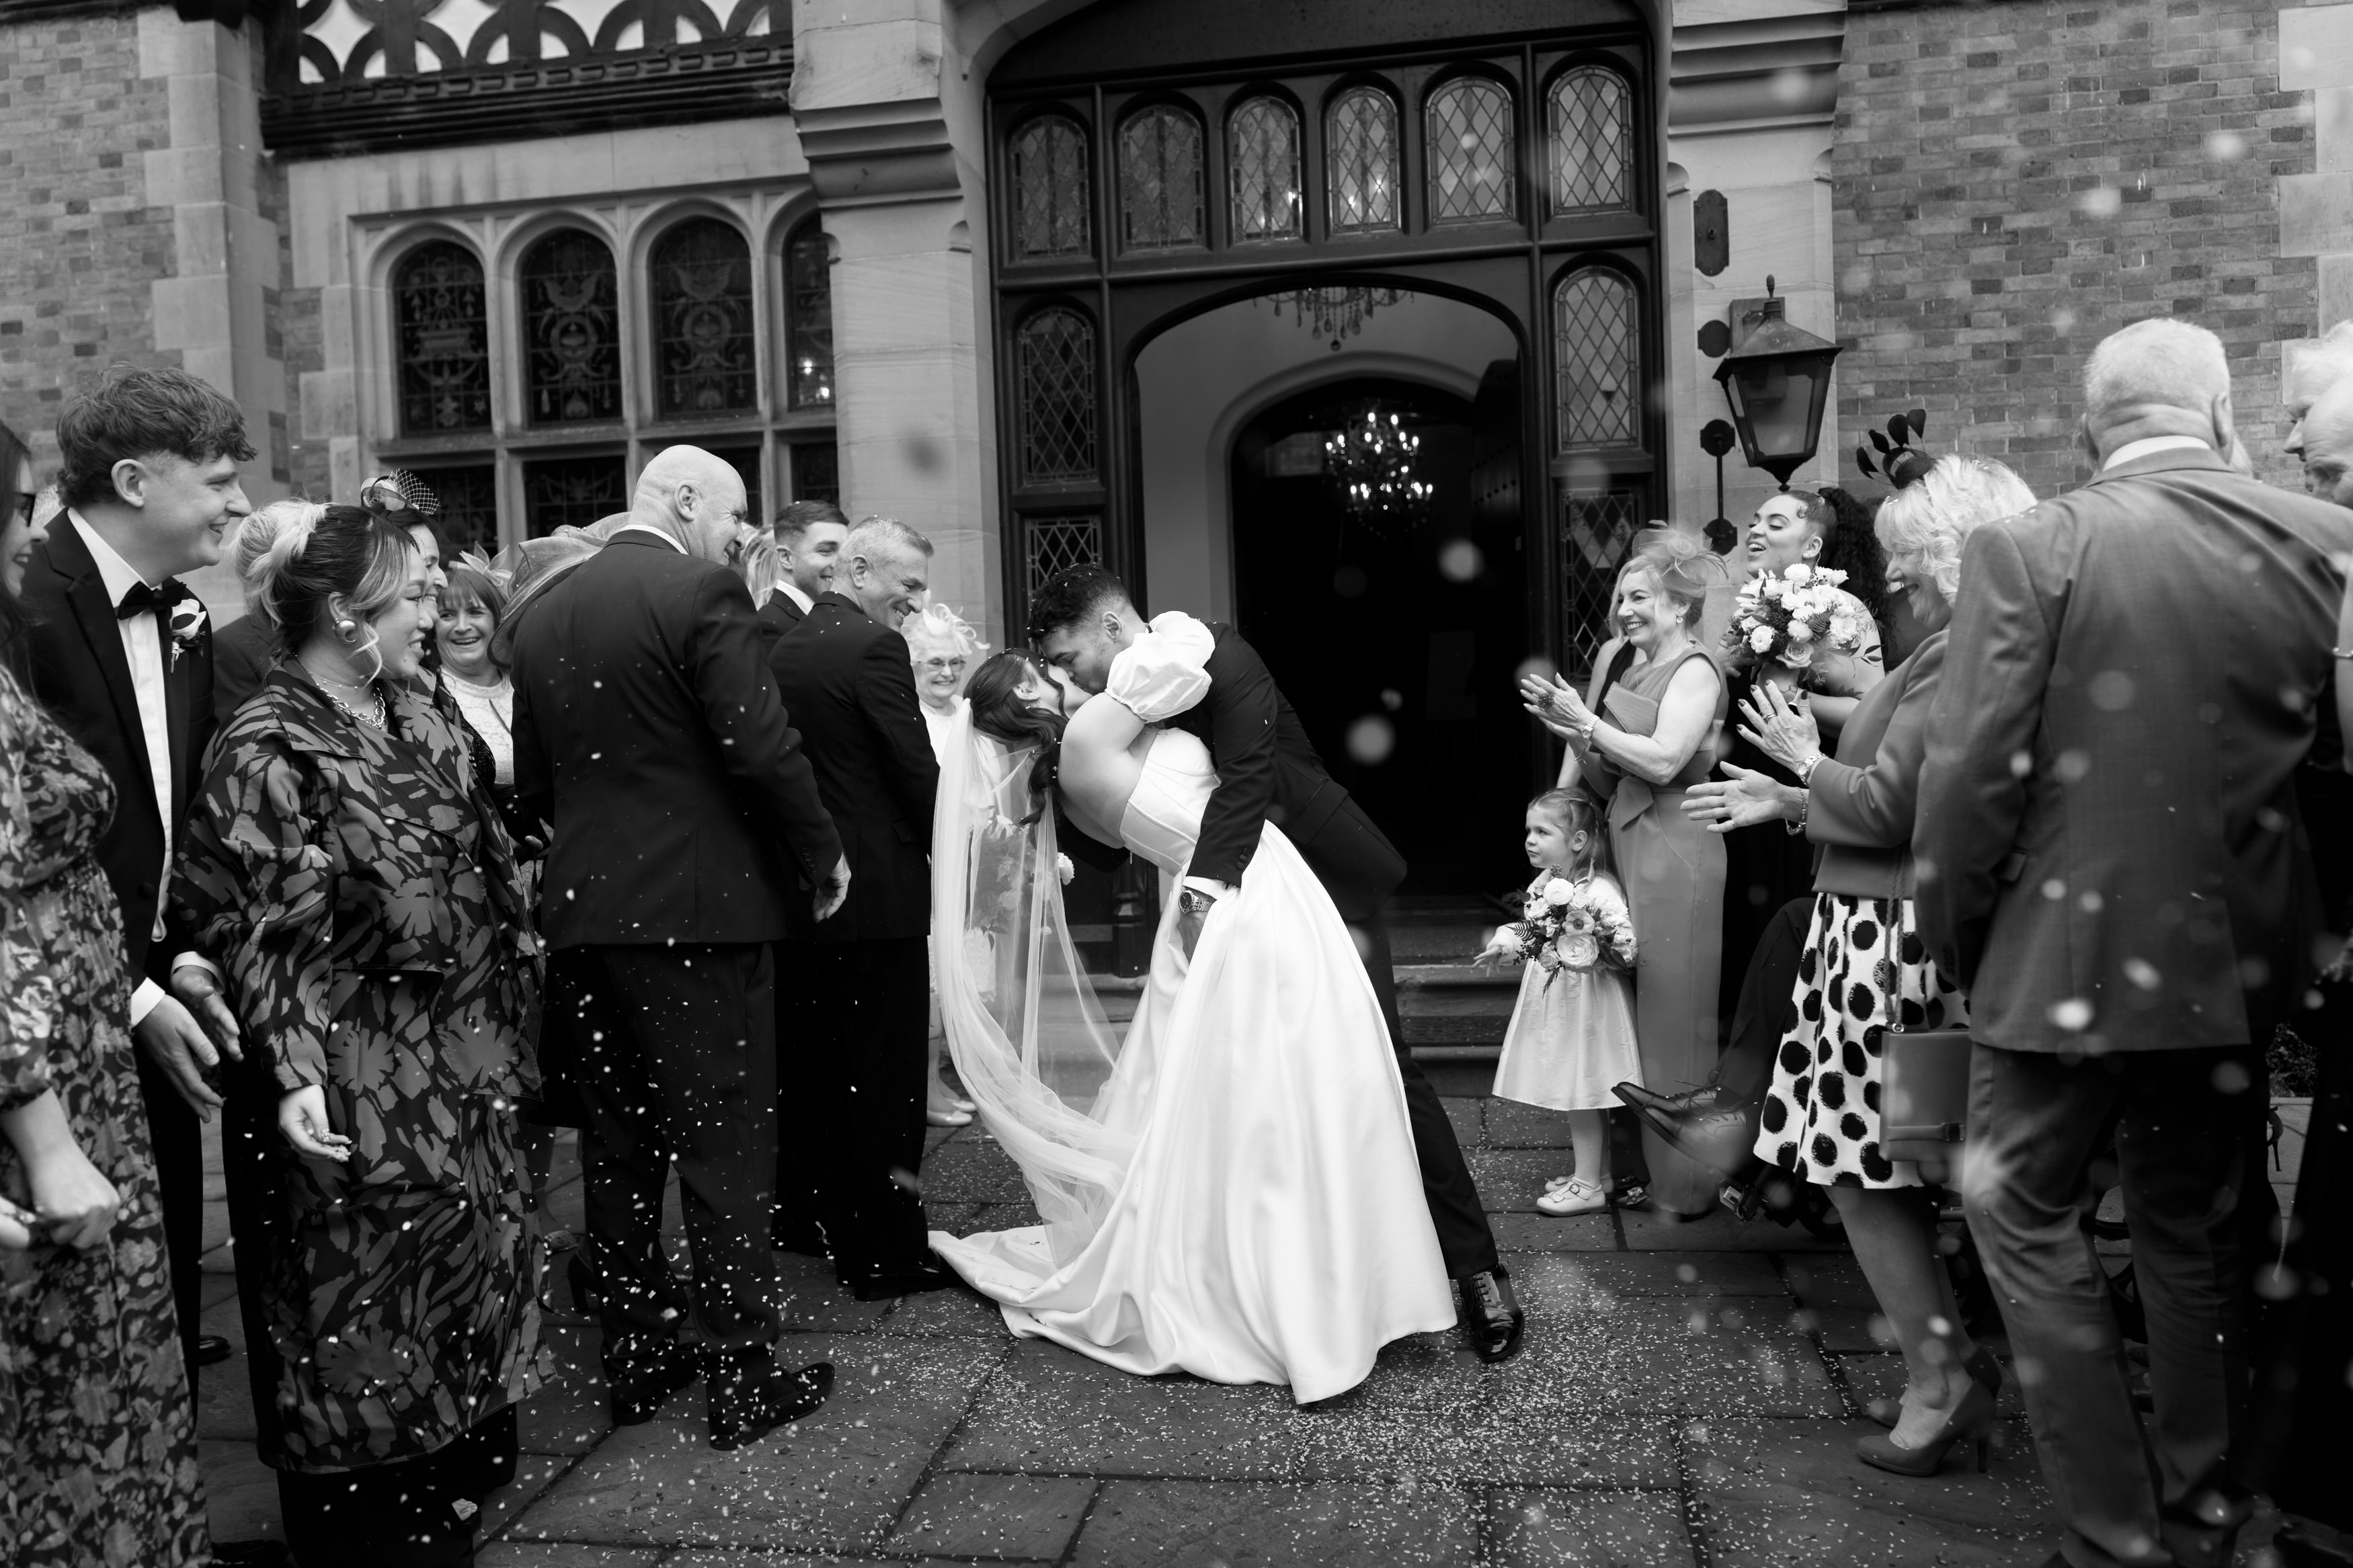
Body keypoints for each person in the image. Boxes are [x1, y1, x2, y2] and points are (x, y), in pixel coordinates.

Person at [1917, 319, 2353, 1568]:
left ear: (2088, 424)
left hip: (2056, 963)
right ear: (2218, 416)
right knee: (2193, 1219)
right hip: (2236, 969)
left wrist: (1957, 939)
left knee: (2021, 1213)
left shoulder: (2037, 545)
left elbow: (1968, 788)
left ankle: (2113, 1530)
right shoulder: (2331, 542)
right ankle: (2203, 1492)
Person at [928, 642, 1456, 1402]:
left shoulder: (1070, 777)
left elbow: (1121, 839)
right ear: (1033, 701)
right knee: (1294, 1089)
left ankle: (1273, 1273)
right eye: (1046, 670)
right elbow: (1187, 660)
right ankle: (1310, 1291)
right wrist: (1140, 643)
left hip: (1210, 898)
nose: (1063, 671)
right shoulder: (1089, 732)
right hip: (1247, 896)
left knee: (1239, 1099)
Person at [171, 499, 544, 1567]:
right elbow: (249, 918)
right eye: (415, 589)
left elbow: (484, 858)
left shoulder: (424, 712)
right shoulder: (268, 738)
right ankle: (368, 1531)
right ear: (344, 610)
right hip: (355, 1062)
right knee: (360, 1297)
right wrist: (290, 1072)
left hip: (467, 1050)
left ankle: (452, 1496)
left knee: (474, 1269)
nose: (437, 606)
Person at [1030, 568, 1521, 1362]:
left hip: (1317, 874)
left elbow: (1249, 772)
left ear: (1115, 627)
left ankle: (1476, 1270)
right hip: (1234, 910)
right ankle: (1282, 1281)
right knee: (1248, 1091)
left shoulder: (1219, 653)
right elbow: (1118, 816)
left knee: (1385, 1068)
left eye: (1070, 653)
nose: (1069, 674)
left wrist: (1198, 894)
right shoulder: (1111, 708)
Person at [1687, 454, 2038, 1479]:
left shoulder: (1960, 652)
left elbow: (1894, 804)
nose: (1895, 580)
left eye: (1906, 562)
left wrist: (1802, 759)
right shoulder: (1950, 652)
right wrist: (1794, 803)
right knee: (1889, 1170)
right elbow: (1901, 795)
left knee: (1864, 1171)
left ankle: (1944, 1378)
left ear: (1941, 561)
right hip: (1881, 928)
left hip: (1886, 949)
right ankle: (1955, 1369)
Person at [509, 446, 847, 1450]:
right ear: (686, 501)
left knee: (616, 1143)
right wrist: (819, 852)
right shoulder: (696, 590)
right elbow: (761, 741)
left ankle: (638, 1352)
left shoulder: (545, 612)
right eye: (734, 516)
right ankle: (742, 1369)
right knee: (726, 1142)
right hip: (699, 919)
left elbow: (533, 782)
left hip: (586, 917)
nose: (739, 538)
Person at [17, 364, 253, 1392]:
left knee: (159, 1276)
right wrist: (131, 990)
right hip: (48, 1019)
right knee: (86, 1311)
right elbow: (35, 856)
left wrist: (179, 955)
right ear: (135, 480)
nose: (239, 502)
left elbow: (164, 820)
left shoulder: (186, 614)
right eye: (217, 479)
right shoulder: (25, 603)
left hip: (148, 988)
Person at [1, 470, 210, 1567]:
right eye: (16, 502)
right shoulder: (39, 614)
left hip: (94, 1044)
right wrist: (41, 1134)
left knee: (121, 1367)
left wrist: (157, 972)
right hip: (41, 1079)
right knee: (72, 1402)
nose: (30, 530)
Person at [1522, 530, 1729, 1219]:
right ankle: (1636, 1169)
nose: (1622, 608)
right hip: (1620, 838)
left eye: (1639, 596)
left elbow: (1666, 758)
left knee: (1674, 1015)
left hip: (1676, 848)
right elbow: (1594, 757)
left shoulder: (1694, 670)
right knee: (1623, 1014)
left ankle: (1687, 1184)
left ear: (1679, 605)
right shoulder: (1620, 660)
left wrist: (1583, 721)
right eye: (1618, 596)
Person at [768, 517, 949, 1297]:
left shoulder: (785, 647)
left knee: (816, 1070)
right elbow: (912, 767)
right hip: (878, 895)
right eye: (907, 583)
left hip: (809, 892)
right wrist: (963, 839)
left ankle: (814, 1218)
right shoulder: (873, 649)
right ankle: (885, 1249)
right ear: (863, 568)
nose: (917, 599)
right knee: (886, 1081)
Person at [1707, 487, 1889, 1051]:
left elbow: (1875, 710)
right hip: (1748, 794)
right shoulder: (1753, 611)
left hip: (1795, 795)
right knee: (1744, 941)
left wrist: (1797, 703)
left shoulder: (1842, 612)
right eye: (1756, 519)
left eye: (1776, 522)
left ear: (1812, 544)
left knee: (1784, 950)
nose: (1756, 529)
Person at [1473, 788, 1639, 1219]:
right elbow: (1531, 926)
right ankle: (1595, 1176)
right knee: (1576, 1084)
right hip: (1559, 999)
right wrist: (1504, 942)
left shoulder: (1599, 889)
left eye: (1543, 831)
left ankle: (1587, 1186)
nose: (1530, 838)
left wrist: (1589, 946)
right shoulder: (1546, 884)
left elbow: (1625, 945)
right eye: (1529, 830)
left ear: (1578, 841)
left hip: (1588, 1002)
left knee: (1581, 1087)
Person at [906, 602, 984, 1127]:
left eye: (955, 662)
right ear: (912, 664)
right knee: (930, 985)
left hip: (970, 861)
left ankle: (949, 1081)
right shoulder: (909, 716)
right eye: (935, 662)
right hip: (928, 862)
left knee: (964, 984)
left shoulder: (967, 714)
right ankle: (928, 1089)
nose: (947, 673)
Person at [761, 499, 850, 637]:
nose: (840, 565)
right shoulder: (771, 626)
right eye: (826, 551)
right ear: (786, 558)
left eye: (845, 551)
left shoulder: (833, 614)